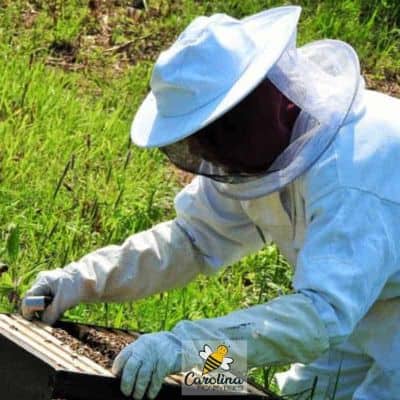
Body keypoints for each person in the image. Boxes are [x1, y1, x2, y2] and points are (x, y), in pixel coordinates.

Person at [22, 6, 400, 400]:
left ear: (259, 107)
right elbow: (191, 239)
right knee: (264, 392)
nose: (211, 157)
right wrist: (81, 280)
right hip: (361, 312)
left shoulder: (354, 172)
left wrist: (184, 346)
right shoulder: (259, 152)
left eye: (218, 136)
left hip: (367, 319)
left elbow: (320, 317)